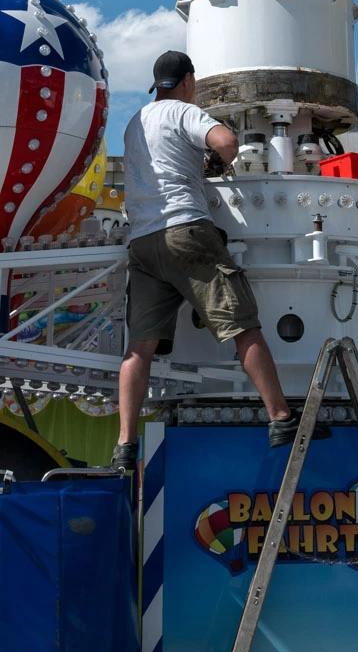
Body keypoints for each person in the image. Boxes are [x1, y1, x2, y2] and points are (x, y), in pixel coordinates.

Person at [111, 49, 324, 472]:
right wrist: (222, 159)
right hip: (186, 232)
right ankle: (281, 417)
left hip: (143, 242)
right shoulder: (183, 111)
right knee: (242, 324)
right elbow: (227, 141)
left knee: (139, 349)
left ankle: (124, 444)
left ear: (158, 85)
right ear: (189, 80)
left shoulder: (136, 121)